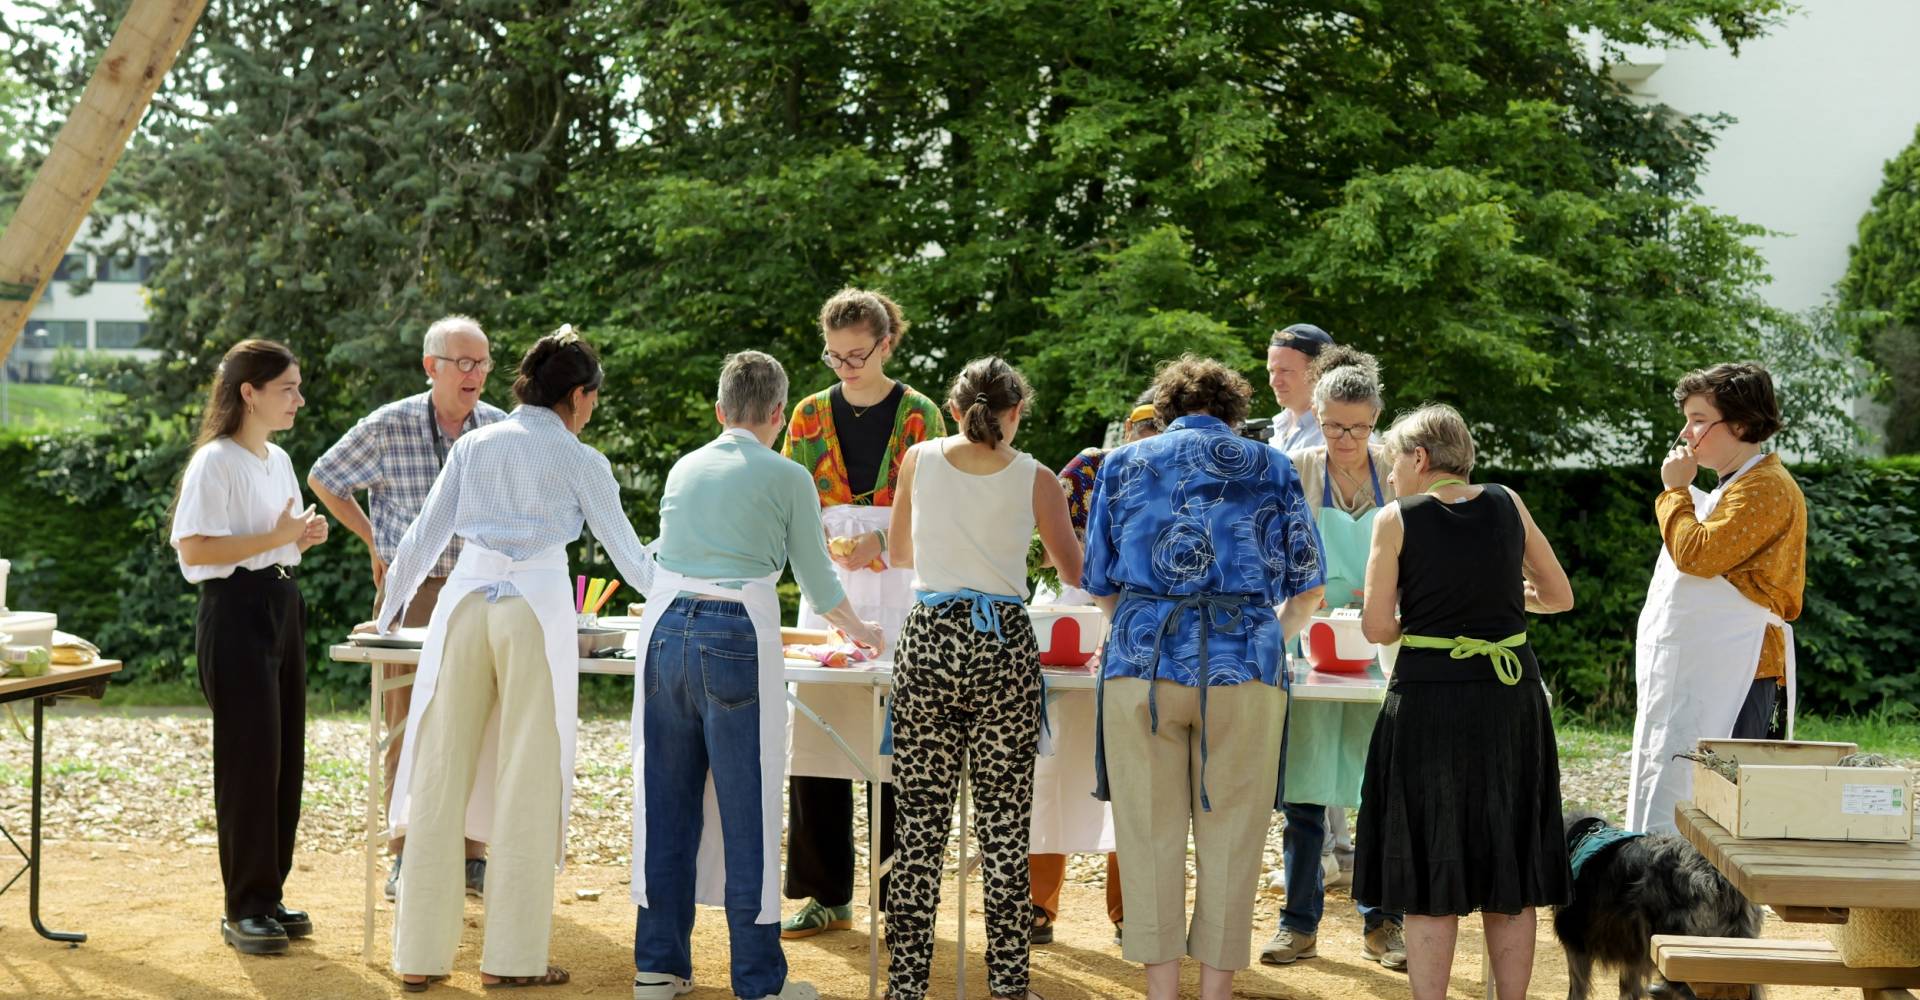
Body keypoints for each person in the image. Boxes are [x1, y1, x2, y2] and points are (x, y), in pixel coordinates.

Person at [376, 327, 656, 991]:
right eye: (592, 398)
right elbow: (630, 556)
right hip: (535, 605)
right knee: (527, 779)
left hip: (466, 601)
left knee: (440, 772)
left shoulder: (475, 443)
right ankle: (511, 960)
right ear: (579, 396)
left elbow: (421, 539)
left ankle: (418, 954)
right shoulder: (581, 460)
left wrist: (387, 618)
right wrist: (686, 597)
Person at [629, 351, 887, 1000]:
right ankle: (757, 980)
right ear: (778, 413)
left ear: (720, 411)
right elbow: (820, 583)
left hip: (664, 631)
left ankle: (658, 966)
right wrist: (867, 634)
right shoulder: (787, 474)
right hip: (737, 630)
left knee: (669, 804)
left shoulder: (685, 466)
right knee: (749, 810)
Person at [1083, 355, 1326, 1000]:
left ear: (1164, 410)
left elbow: (1099, 582)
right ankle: (1214, 993)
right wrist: (1271, 638)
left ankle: (1162, 992)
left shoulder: (1122, 462)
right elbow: (1309, 587)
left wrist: (1141, 621)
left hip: (1143, 663)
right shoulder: (1272, 465)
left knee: (1147, 833)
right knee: (1234, 832)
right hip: (1244, 666)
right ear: (1234, 411)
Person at [1354, 403, 1575, 1000]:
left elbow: (1377, 629)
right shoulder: (1508, 501)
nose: (1390, 477)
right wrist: (1500, 603)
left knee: (1430, 866)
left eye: (1393, 463)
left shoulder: (1394, 519)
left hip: (1429, 700)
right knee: (1511, 865)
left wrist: (1420, 616)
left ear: (1420, 458)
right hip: (1510, 698)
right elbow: (1559, 596)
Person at [883, 356, 1083, 1000]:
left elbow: (901, 553)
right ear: (1016, 412)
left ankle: (907, 986)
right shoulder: (1037, 477)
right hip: (1002, 648)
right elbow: (1075, 573)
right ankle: (1007, 985)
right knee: (1003, 828)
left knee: (919, 825)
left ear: (953, 406)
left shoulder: (918, 459)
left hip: (930, 641)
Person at [309, 314, 506, 900]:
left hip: (481, 589)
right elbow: (324, 478)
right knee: (405, 725)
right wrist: (375, 541)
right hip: (412, 592)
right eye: (464, 362)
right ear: (432, 367)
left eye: (484, 362)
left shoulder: (499, 428)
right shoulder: (389, 425)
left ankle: (472, 854)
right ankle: (404, 854)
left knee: (480, 721)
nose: (476, 374)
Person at [780, 287, 945, 938]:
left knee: (898, 744)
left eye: (857, 354)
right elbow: (793, 500)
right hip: (828, 581)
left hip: (903, 581)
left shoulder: (921, 414)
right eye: (835, 355)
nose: (845, 366)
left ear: (887, 344)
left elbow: (940, 500)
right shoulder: (807, 415)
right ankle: (825, 893)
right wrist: (821, 547)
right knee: (818, 733)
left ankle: (900, 898)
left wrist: (885, 540)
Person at [170, 339, 330, 955]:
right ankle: (244, 906)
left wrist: (299, 540)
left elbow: (273, 543)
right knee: (248, 761)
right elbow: (196, 551)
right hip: (236, 613)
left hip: (283, 604)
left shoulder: (279, 458)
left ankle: (270, 892)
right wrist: (275, 536)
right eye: (287, 387)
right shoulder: (215, 461)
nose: (298, 398)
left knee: (284, 754)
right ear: (249, 392)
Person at [1261, 346, 1406, 972]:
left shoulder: (1394, 469)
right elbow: (1272, 551)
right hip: (1311, 643)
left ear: (1375, 420)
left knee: (1383, 788)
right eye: (1334, 425)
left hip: (1379, 644)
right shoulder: (1296, 469)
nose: (1346, 439)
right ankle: (1299, 923)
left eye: (1359, 427)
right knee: (1304, 793)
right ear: (1316, 415)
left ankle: (1384, 924)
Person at [1626, 362, 1805, 834]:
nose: (1686, 432)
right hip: (1715, 664)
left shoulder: (1765, 487)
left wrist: (1674, 492)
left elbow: (1696, 554)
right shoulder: (1736, 484)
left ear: (1741, 424)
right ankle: (1670, 896)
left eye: (1699, 419)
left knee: (1722, 806)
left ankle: (1714, 905)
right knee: (1688, 786)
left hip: (1742, 670)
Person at [1027, 390, 1159, 946]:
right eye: (1142, 428)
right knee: (1052, 770)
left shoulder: (1191, 485)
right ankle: (1034, 905)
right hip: (1075, 623)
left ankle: (1132, 911)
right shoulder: (1089, 470)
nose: (1150, 441)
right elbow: (1036, 541)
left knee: (1138, 773)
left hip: (1149, 632)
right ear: (1128, 430)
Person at [1265, 323, 1333, 452]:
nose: (1273, 382)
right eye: (1271, 371)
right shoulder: (1276, 427)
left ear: (1318, 372)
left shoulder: (1341, 440)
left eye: (1285, 371)